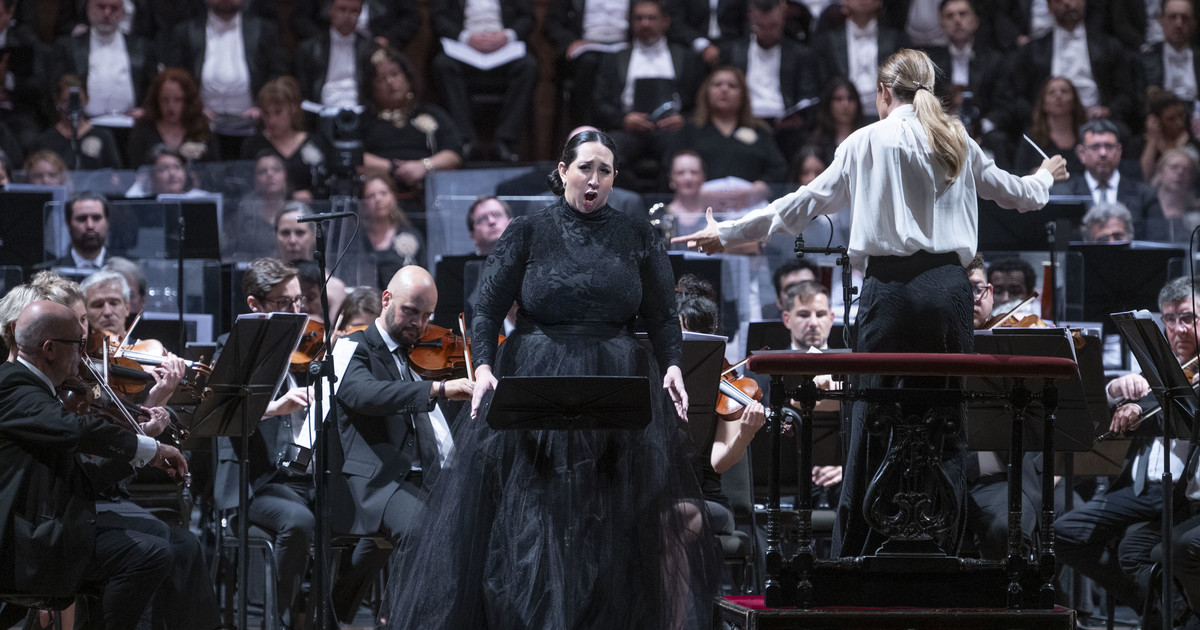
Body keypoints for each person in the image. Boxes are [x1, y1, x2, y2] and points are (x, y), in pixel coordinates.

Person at [673, 48, 1068, 558]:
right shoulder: (956, 138)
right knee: (944, 420)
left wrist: (726, 232)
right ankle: (942, 553)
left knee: (874, 419)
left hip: (889, 294)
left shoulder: (864, 141)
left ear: (883, 92)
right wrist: (1045, 174)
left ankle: (862, 554)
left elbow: (800, 206)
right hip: (949, 294)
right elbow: (1020, 194)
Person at [382, 129, 717, 628]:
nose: (594, 179)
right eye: (585, 168)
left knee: (610, 519)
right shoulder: (528, 230)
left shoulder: (638, 235)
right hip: (537, 375)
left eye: (605, 171)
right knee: (535, 516)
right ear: (563, 171)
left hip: (616, 380)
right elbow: (486, 309)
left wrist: (671, 363)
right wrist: (485, 366)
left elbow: (665, 316)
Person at [0, 300, 188, 629]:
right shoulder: (14, 387)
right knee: (149, 554)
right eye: (79, 344)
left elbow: (82, 477)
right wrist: (150, 447)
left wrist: (143, 453)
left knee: (161, 540)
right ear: (50, 349)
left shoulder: (40, 392)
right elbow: (77, 430)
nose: (84, 354)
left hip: (47, 524)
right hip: (24, 544)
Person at [330, 266, 473, 621]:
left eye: (427, 316)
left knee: (472, 528)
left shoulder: (418, 352)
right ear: (386, 299)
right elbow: (365, 394)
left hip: (426, 476)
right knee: (422, 533)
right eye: (410, 311)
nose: (419, 325)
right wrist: (436, 388)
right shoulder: (352, 347)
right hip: (380, 480)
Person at [1060, 276, 1200, 620]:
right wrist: (1117, 390)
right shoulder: (1157, 363)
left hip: (1177, 491)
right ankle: (1152, 607)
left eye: (1187, 318)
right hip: (1138, 488)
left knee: (1132, 549)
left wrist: (1142, 405)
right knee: (1064, 533)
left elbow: (1174, 410)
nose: (1178, 329)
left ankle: (1171, 615)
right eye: (1169, 319)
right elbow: (1123, 403)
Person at [428, 0, 538, 162]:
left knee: (528, 66)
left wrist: (507, 36)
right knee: (442, 65)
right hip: (463, 48)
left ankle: (505, 141)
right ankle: (465, 141)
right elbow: (438, 17)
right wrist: (465, 38)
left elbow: (527, 17)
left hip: (505, 48)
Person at [360, 46, 463, 212]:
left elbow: (454, 154)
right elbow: (354, 156)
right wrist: (392, 167)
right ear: (371, 88)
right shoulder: (365, 120)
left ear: (408, 78)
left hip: (430, 195)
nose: (390, 82)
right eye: (381, 79)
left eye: (395, 74)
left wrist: (424, 166)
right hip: (378, 198)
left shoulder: (432, 113)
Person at [672, 66, 787, 206]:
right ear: (706, 92)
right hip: (698, 209)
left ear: (743, 94)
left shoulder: (759, 131)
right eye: (717, 84)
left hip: (750, 209)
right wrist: (694, 192)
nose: (724, 89)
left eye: (732, 86)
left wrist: (761, 189)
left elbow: (779, 168)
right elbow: (671, 167)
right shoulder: (689, 130)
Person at [240, 77, 333, 199]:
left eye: (278, 112)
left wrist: (311, 195)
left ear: (293, 109)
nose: (272, 120)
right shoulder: (253, 145)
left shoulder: (316, 143)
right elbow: (245, 187)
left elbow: (329, 185)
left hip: (309, 209)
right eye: (266, 114)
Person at [127, 68, 217, 167]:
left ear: (188, 101)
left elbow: (213, 168)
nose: (171, 106)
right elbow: (135, 168)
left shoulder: (201, 129)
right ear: (156, 100)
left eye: (178, 100)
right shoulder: (143, 130)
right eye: (165, 100)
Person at [360, 170, 425, 286]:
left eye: (383, 193)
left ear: (393, 197)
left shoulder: (411, 235)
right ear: (363, 203)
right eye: (371, 196)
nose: (378, 199)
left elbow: (423, 277)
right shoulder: (356, 238)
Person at [1012, 77, 1087, 177]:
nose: (1058, 96)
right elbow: (1018, 174)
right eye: (1052, 93)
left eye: (1064, 91)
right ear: (1043, 104)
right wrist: (1032, 174)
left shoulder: (1087, 136)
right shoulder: (1031, 139)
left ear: (1074, 100)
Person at [46, 192, 110, 270]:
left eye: (96, 218)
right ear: (68, 224)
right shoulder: (49, 273)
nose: (90, 225)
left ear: (107, 222)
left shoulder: (122, 272)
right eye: (82, 219)